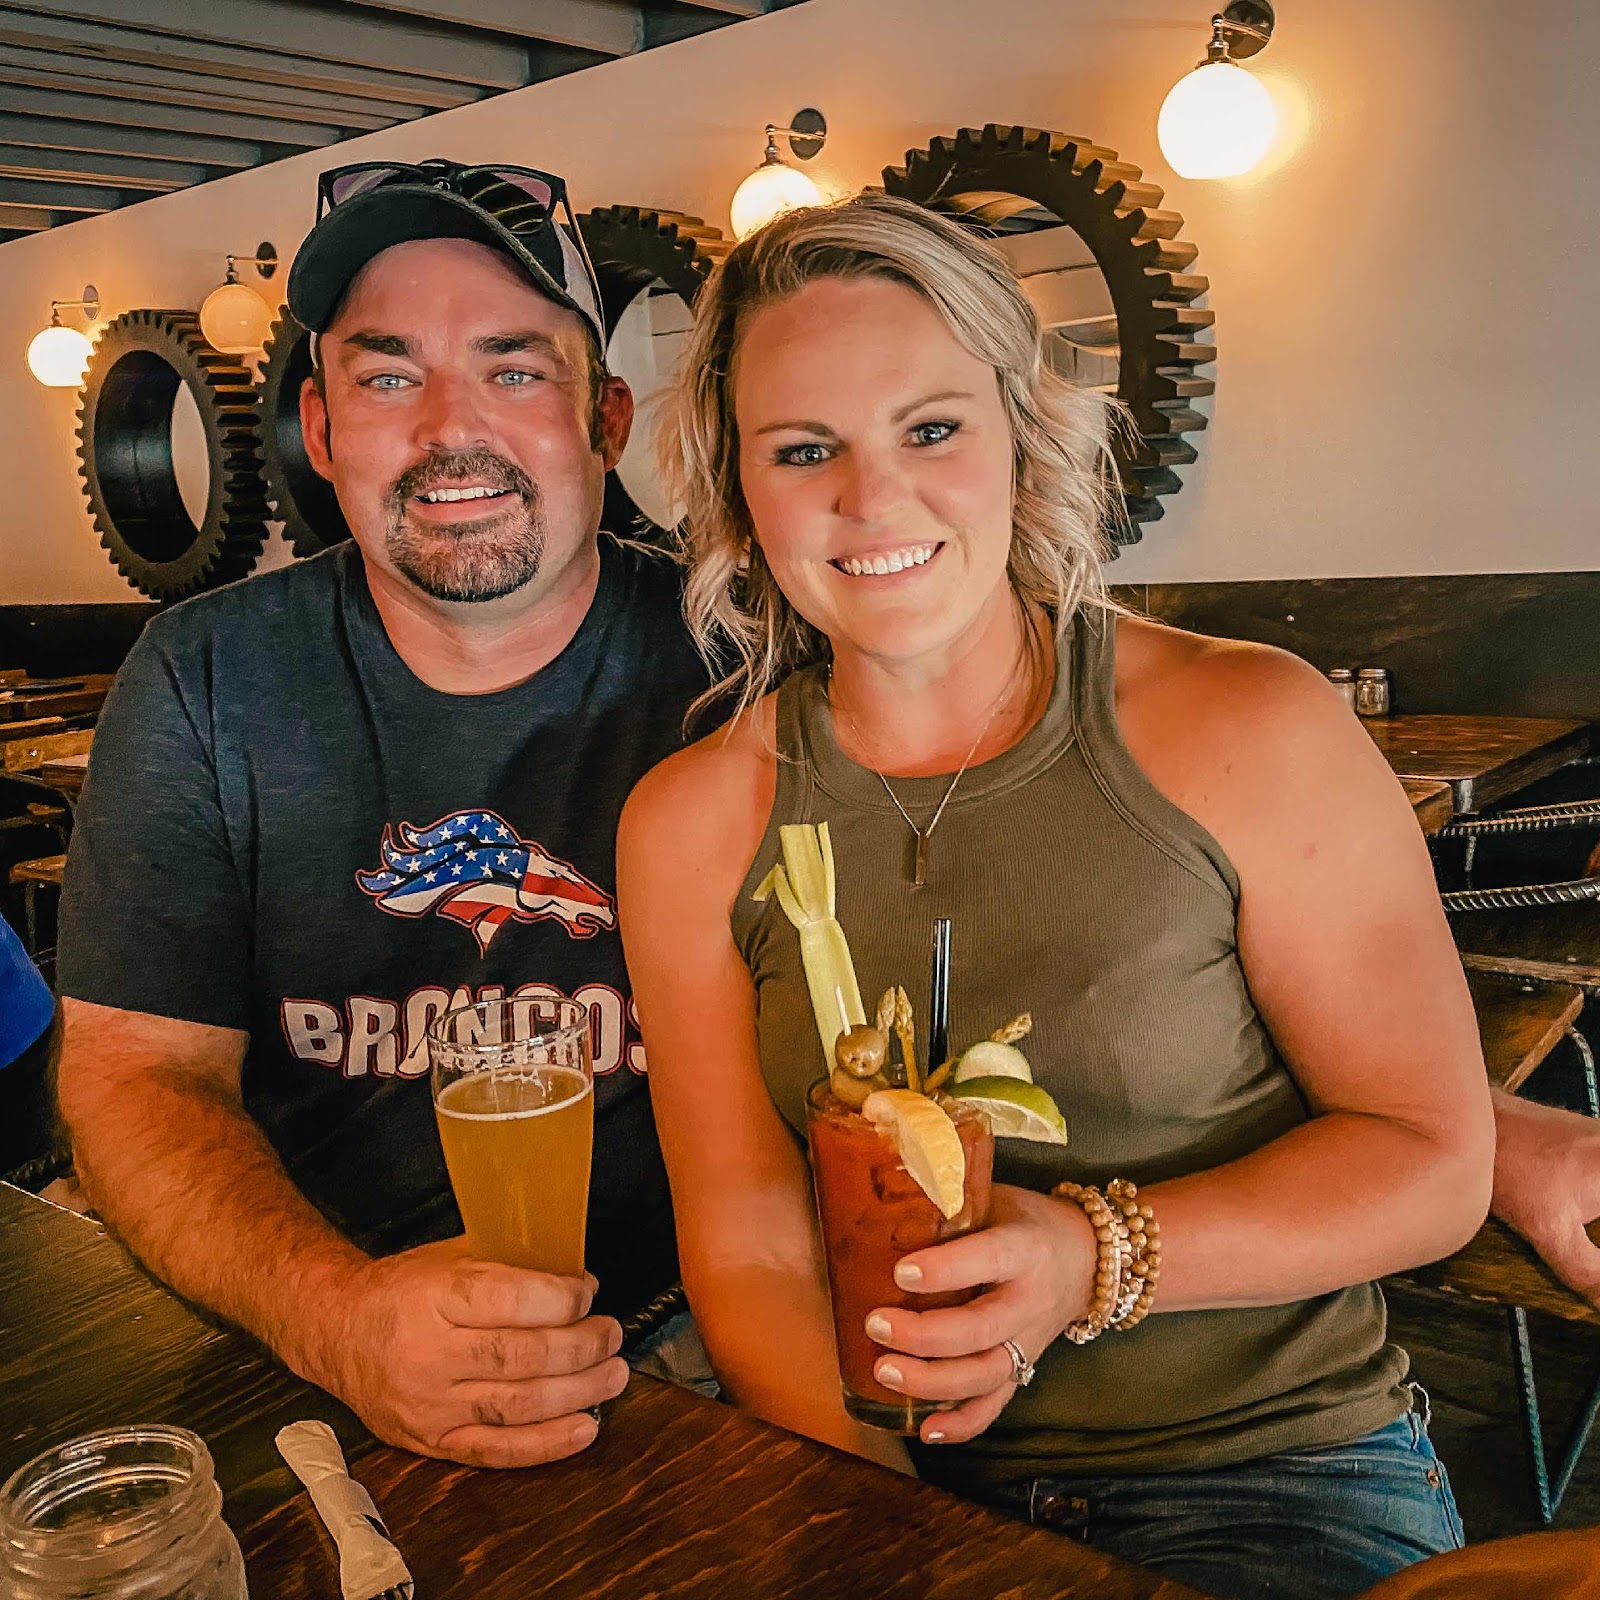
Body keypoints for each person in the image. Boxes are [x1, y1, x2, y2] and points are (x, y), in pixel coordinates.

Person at [616, 193, 1497, 1599]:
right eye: (804, 449)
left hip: (1263, 1471)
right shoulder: (688, 822)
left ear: (1023, 438)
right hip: (884, 1473)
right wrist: (887, 1517)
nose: (871, 498)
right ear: (738, 491)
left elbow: (1432, 1163)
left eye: (931, 429)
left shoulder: (1247, 725)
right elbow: (752, 1243)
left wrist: (1091, 1255)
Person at [54, 159, 708, 1469]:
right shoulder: (203, 676)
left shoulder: (736, 655)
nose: (450, 429)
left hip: (689, 1345)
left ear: (607, 416)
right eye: (388, 377)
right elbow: (133, 1074)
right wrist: (338, 1320)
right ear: (320, 424)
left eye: (514, 369)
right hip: (299, 1334)